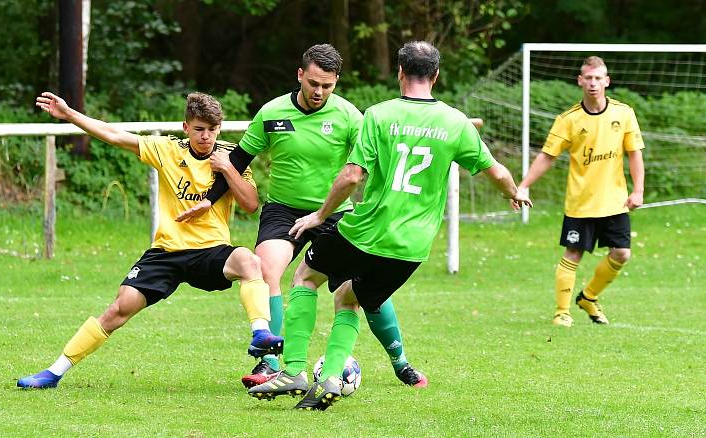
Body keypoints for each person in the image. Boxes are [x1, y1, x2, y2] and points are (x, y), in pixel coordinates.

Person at [248, 41, 531, 410]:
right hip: (412, 247)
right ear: (436, 76)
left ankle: (297, 370)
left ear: (399, 72)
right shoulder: (455, 122)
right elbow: (497, 172)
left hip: (366, 229)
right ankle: (331, 377)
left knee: (305, 277)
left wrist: (320, 215)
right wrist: (515, 192)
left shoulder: (379, 116)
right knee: (349, 298)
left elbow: (351, 176)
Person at [177, 44, 428, 389]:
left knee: (362, 288)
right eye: (313, 83)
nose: (318, 92)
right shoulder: (271, 113)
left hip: (334, 213)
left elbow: (370, 166)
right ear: (300, 75)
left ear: (336, 81)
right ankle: (270, 363)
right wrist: (209, 199)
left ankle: (400, 361)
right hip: (283, 211)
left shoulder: (351, 117)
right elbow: (238, 160)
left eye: (327, 85)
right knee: (267, 271)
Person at [16, 91, 283, 389]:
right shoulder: (168, 150)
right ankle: (54, 372)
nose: (206, 136)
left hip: (211, 252)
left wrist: (227, 170)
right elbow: (115, 135)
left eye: (212, 129)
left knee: (248, 260)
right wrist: (70, 115)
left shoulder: (232, 157)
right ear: (186, 127)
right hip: (167, 252)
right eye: (199, 129)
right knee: (119, 308)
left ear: (219, 128)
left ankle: (260, 333)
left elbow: (250, 203)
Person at [517, 56, 645, 328]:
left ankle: (589, 297)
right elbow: (547, 156)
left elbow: (634, 155)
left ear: (607, 81)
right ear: (580, 81)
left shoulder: (623, 114)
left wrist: (639, 191)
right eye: (588, 78)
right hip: (581, 202)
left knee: (622, 253)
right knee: (573, 254)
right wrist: (524, 185)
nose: (593, 83)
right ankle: (562, 312)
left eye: (598, 78)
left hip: (615, 201)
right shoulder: (568, 120)